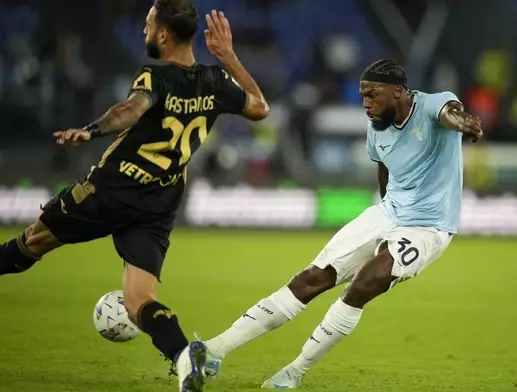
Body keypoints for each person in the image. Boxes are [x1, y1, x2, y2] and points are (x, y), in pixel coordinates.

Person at [0, 1, 269, 391]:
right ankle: (183, 360)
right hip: (159, 201)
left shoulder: (155, 76)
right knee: (139, 301)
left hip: (112, 189)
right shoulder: (215, 81)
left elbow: (130, 109)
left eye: (147, 24)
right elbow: (260, 107)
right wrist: (228, 58)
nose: (143, 31)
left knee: (29, 245)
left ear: (162, 34)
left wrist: (91, 130)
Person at [202, 58, 483, 389]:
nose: (365, 104)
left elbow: (450, 111)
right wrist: (384, 213)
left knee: (366, 281)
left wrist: (464, 121)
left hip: (428, 227)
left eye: (372, 95)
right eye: (363, 95)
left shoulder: (432, 104)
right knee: (311, 279)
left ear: (398, 92)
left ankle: (293, 372)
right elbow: (383, 167)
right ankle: (214, 349)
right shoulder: (375, 129)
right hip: (388, 213)